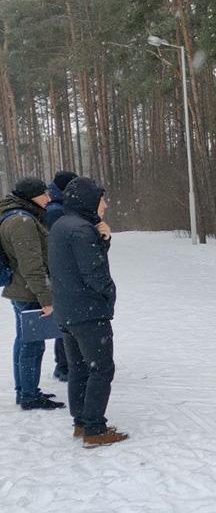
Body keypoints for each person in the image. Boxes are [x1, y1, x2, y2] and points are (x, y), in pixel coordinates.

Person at [48, 177, 127, 447]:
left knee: (80, 368)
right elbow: (94, 273)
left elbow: (76, 263)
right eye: (101, 198)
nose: (105, 204)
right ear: (89, 200)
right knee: (102, 369)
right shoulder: (82, 230)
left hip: (68, 311)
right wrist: (109, 293)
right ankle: (94, 428)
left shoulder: (62, 225)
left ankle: (81, 422)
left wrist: (102, 239)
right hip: (88, 312)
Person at [0, 176, 64, 411]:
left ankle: (25, 390)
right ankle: (28, 395)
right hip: (28, 292)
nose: (48, 198)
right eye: (43, 194)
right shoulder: (22, 222)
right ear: (29, 197)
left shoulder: (18, 215)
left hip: (21, 289)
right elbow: (31, 265)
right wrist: (46, 299)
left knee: (24, 341)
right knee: (32, 345)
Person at [46, 170, 77, 382]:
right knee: (67, 319)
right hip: (60, 271)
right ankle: (65, 365)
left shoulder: (57, 205)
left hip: (59, 270)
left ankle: (66, 363)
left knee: (66, 318)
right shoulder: (56, 210)